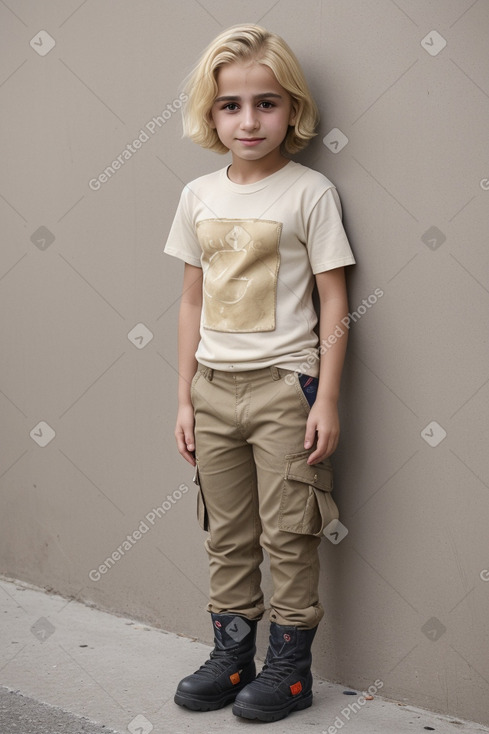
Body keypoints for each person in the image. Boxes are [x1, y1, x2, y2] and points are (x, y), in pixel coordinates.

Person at [164, 24, 355, 723]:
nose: (249, 120)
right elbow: (191, 298)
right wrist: (183, 396)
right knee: (227, 533)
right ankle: (231, 655)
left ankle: (290, 671)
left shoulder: (309, 193)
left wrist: (325, 397)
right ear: (210, 114)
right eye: (231, 105)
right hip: (212, 389)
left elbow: (334, 299)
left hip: (284, 390)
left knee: (289, 532)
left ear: (292, 109)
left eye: (266, 103)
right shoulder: (196, 196)